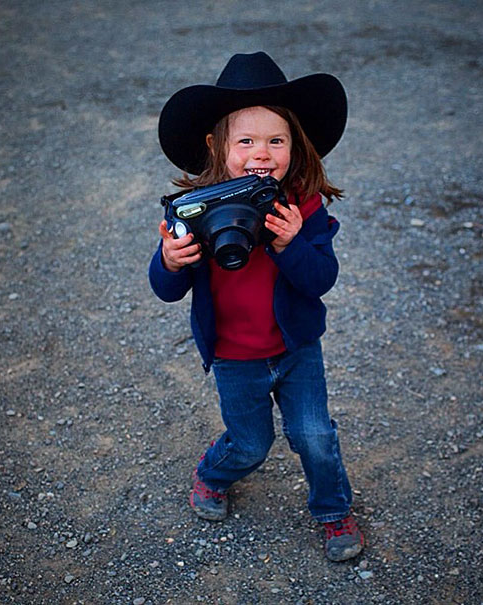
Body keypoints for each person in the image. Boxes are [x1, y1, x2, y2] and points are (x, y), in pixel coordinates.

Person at [149, 51, 364, 562]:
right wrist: (170, 260)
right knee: (251, 445)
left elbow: (321, 281)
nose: (261, 153)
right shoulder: (196, 211)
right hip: (234, 357)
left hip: (296, 349)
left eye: (276, 140)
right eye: (245, 141)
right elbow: (165, 289)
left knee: (314, 434)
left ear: (295, 145)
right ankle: (212, 475)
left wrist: (294, 245)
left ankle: (334, 512)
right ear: (215, 145)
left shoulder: (302, 205)